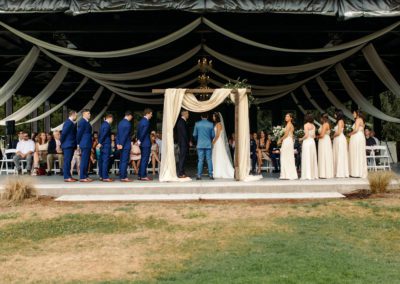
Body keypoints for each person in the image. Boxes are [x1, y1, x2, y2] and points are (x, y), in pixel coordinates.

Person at [212, 112, 234, 179]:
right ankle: (216, 170)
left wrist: (213, 142)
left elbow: (218, 135)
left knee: (219, 155)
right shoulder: (216, 124)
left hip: (218, 142)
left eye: (213, 116)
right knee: (217, 155)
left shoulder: (218, 124)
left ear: (216, 117)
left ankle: (220, 171)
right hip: (217, 141)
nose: (213, 117)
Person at [193, 112, 215, 180]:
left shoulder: (197, 124)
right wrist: (209, 139)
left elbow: (194, 135)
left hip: (200, 144)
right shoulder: (211, 124)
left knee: (200, 160)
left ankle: (199, 175)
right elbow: (213, 135)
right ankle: (211, 175)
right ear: (207, 116)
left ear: (201, 117)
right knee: (209, 159)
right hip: (208, 144)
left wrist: (198, 140)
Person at [278, 113, 297, 180]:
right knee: (287, 157)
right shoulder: (288, 125)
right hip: (288, 141)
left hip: (287, 141)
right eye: (285, 116)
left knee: (286, 157)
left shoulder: (289, 125)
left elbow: (286, 135)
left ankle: (287, 174)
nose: (286, 117)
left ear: (291, 118)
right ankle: (287, 174)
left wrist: (280, 139)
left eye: (287, 116)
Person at [349, 110, 368, 178]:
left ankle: (356, 172)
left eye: (354, 113)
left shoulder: (358, 120)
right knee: (359, 154)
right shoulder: (362, 120)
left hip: (357, 137)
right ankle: (360, 171)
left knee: (356, 153)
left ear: (357, 114)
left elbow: (356, 129)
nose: (353, 114)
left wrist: (350, 134)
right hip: (361, 137)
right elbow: (362, 131)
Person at [299, 113, 318, 180]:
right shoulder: (313, 125)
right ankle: (313, 174)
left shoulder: (306, 125)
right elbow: (314, 136)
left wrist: (301, 139)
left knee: (307, 157)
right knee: (312, 157)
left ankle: (307, 174)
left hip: (307, 142)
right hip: (312, 142)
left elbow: (306, 135)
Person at [61, 110, 78, 182]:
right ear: (73, 115)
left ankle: (69, 176)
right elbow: (63, 133)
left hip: (70, 144)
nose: (76, 116)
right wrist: (62, 143)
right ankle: (66, 177)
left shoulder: (71, 123)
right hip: (67, 145)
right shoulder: (68, 123)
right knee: (67, 161)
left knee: (69, 161)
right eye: (76, 115)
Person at [116, 111, 133, 182]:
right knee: (124, 161)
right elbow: (125, 135)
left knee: (122, 160)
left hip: (120, 144)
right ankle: (123, 177)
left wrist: (118, 144)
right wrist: (122, 144)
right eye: (131, 116)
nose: (131, 118)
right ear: (129, 115)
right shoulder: (128, 124)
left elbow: (118, 134)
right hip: (125, 145)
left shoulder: (120, 123)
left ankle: (121, 175)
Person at [77, 109, 93, 182]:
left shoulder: (86, 122)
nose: (90, 114)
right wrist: (78, 143)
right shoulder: (82, 122)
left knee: (86, 160)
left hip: (88, 143)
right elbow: (79, 133)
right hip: (84, 143)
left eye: (89, 113)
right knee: (84, 160)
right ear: (84, 114)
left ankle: (85, 175)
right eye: (88, 113)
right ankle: (82, 177)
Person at [137, 108, 153, 181]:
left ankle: (140, 175)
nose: (151, 116)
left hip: (142, 143)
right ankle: (143, 176)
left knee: (143, 158)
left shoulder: (140, 121)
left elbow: (138, 132)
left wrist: (138, 140)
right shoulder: (146, 122)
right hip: (145, 143)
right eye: (151, 114)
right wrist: (140, 140)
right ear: (147, 113)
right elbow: (143, 133)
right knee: (145, 159)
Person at [333, 110, 349, 178]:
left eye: (335, 113)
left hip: (339, 139)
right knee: (338, 154)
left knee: (340, 154)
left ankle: (340, 172)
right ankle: (338, 171)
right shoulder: (340, 121)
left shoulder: (340, 121)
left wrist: (332, 135)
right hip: (338, 139)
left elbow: (339, 132)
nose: (334, 115)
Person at [98, 113, 113, 182]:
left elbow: (100, 135)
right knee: (105, 161)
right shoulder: (107, 125)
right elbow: (104, 135)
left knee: (101, 161)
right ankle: (105, 177)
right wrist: (100, 143)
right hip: (106, 145)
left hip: (103, 145)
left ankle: (101, 176)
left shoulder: (102, 125)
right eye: (112, 119)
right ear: (110, 118)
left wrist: (100, 143)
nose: (112, 121)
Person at [318, 113, 334, 179]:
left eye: (321, 118)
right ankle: (325, 172)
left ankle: (324, 173)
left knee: (324, 155)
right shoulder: (326, 124)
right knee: (325, 155)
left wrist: (316, 137)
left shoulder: (325, 125)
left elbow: (322, 135)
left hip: (324, 141)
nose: (320, 119)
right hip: (325, 140)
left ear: (323, 118)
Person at [176, 109, 190, 178]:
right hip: (183, 143)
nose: (188, 115)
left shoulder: (182, 121)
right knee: (182, 158)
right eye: (187, 114)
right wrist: (188, 142)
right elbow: (184, 134)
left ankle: (182, 172)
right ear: (184, 114)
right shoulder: (181, 122)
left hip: (183, 143)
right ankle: (181, 173)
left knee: (183, 158)